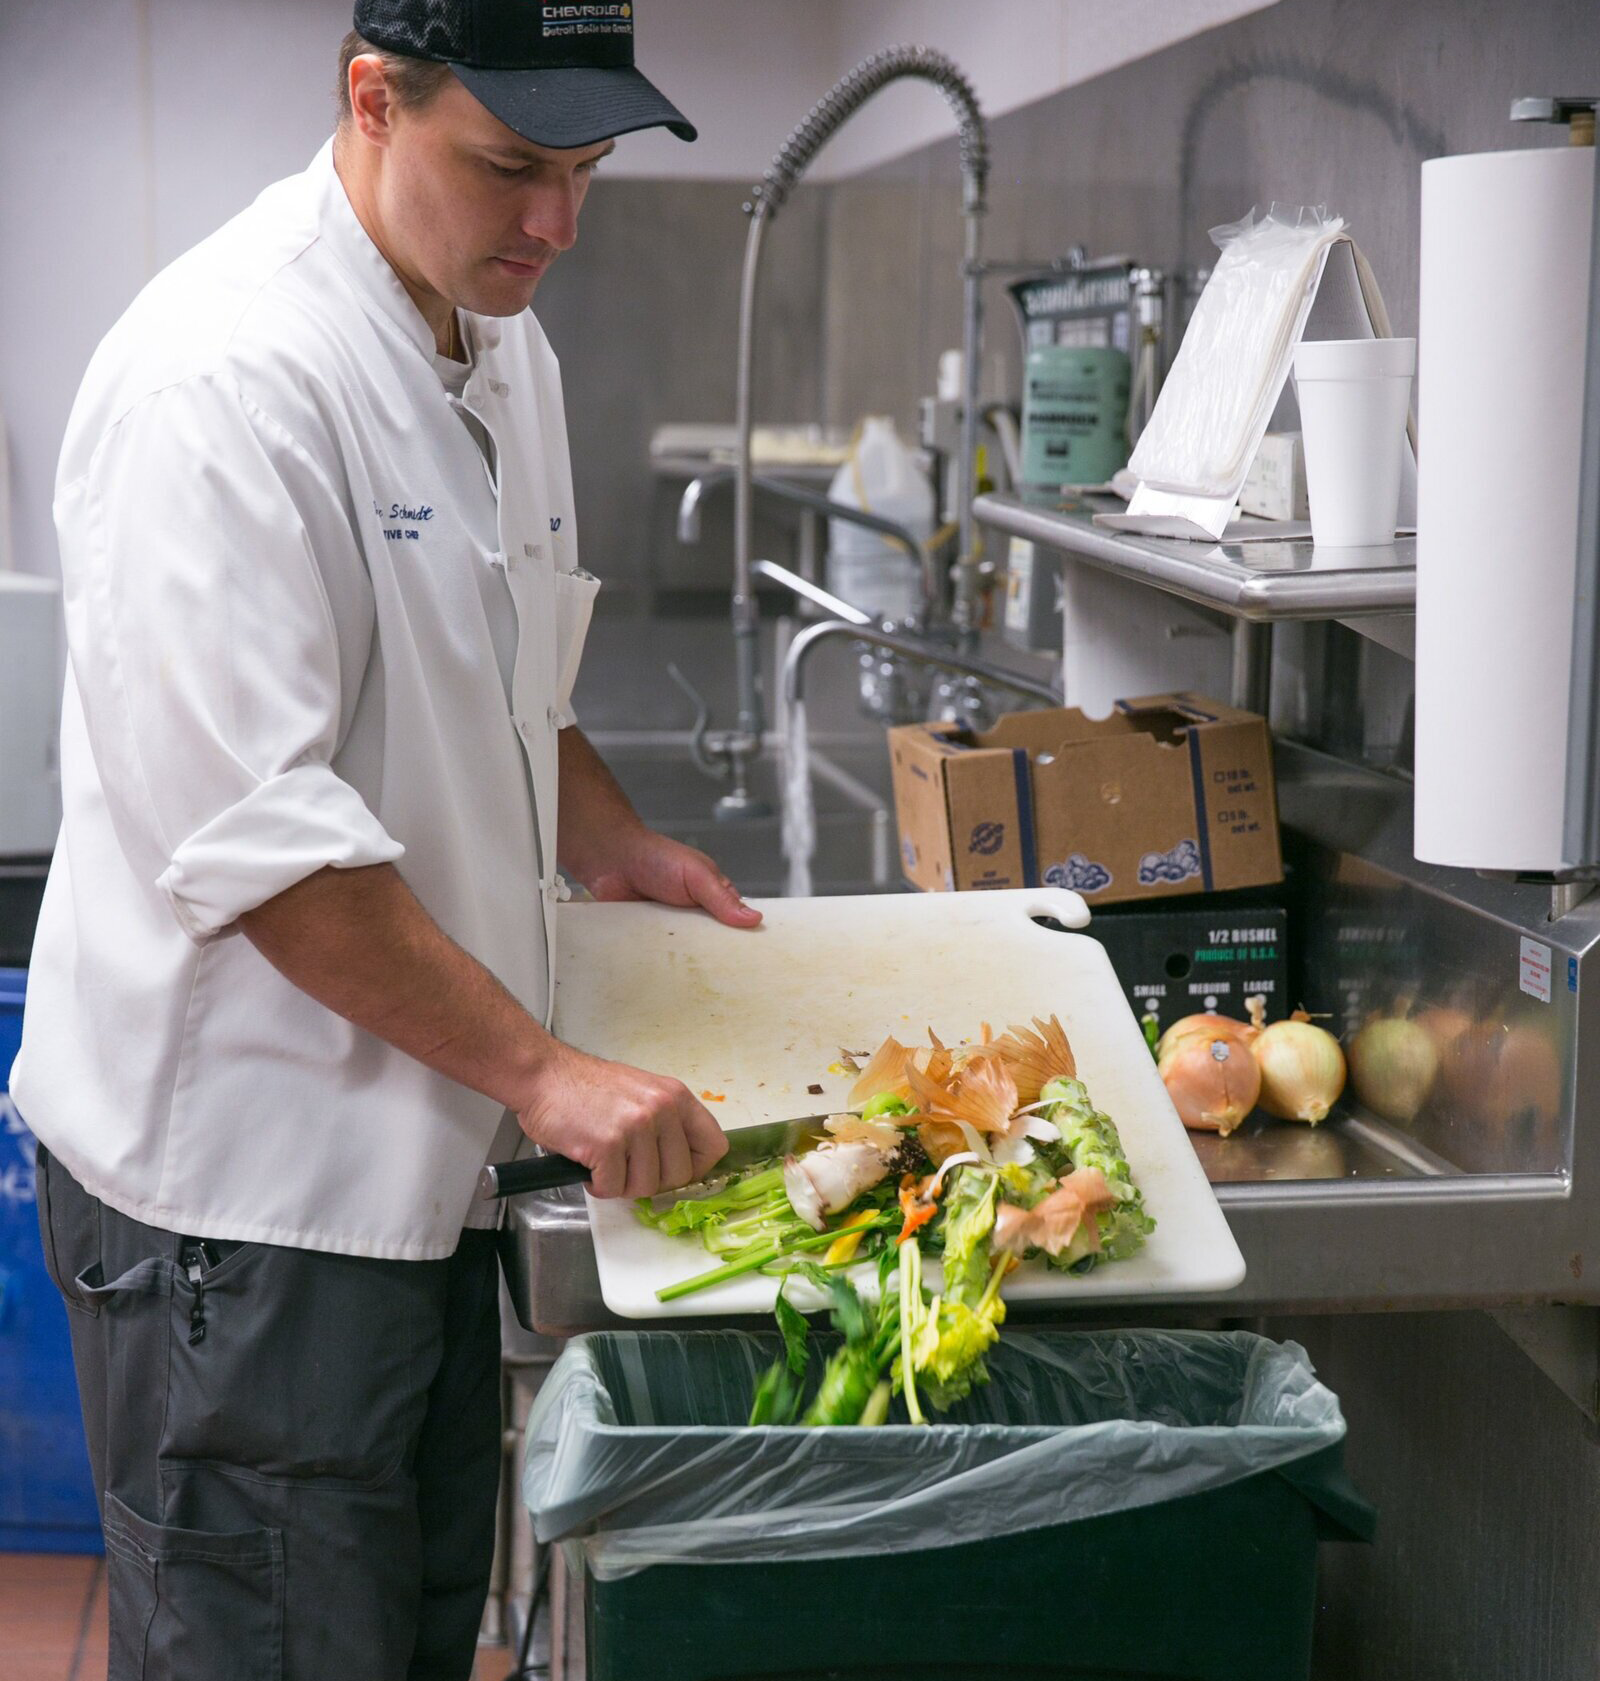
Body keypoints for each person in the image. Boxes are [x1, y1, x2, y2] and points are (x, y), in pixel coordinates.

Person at [13, 3, 753, 1674]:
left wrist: (614, 839)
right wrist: (550, 1076)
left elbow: (507, 673)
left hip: (422, 1154)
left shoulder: (499, 338)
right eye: (511, 169)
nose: (556, 224)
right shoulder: (223, 381)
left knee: (393, 1639)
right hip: (247, 1196)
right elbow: (261, 849)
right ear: (371, 101)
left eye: (585, 172)